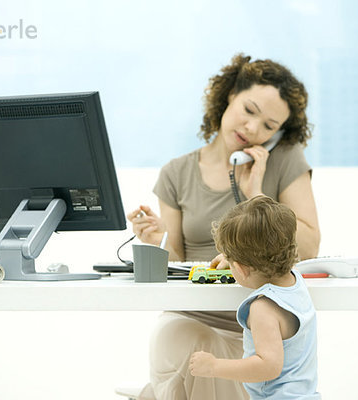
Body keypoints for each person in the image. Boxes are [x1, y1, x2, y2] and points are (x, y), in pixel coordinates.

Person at [127, 53, 320, 400]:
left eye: (269, 126)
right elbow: (176, 261)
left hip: (256, 330)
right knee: (180, 337)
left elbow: (308, 248)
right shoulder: (176, 173)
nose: (252, 129)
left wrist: (256, 194)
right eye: (249, 110)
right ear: (229, 95)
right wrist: (159, 239)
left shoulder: (284, 161)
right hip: (193, 316)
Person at [189, 195, 320, 400]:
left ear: (241, 269)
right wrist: (235, 258)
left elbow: (267, 366)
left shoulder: (263, 308)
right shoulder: (295, 281)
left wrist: (214, 366)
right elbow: (268, 251)